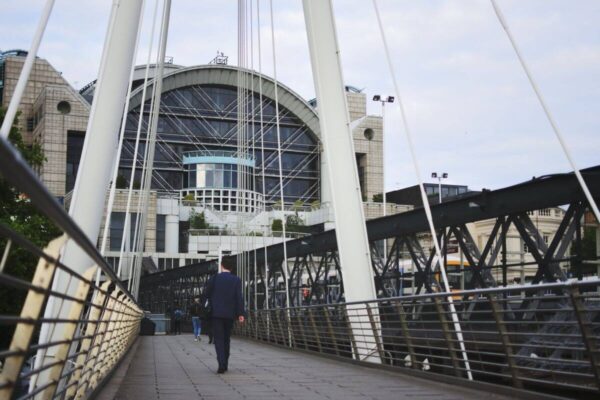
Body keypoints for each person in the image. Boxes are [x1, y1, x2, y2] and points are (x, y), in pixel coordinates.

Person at [205, 256, 245, 374]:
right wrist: (241, 314)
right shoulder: (236, 280)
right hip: (229, 315)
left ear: (221, 265)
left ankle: (221, 363)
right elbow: (239, 298)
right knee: (226, 339)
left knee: (218, 339)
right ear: (232, 268)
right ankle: (225, 363)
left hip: (216, 314)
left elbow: (206, 294)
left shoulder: (214, 278)